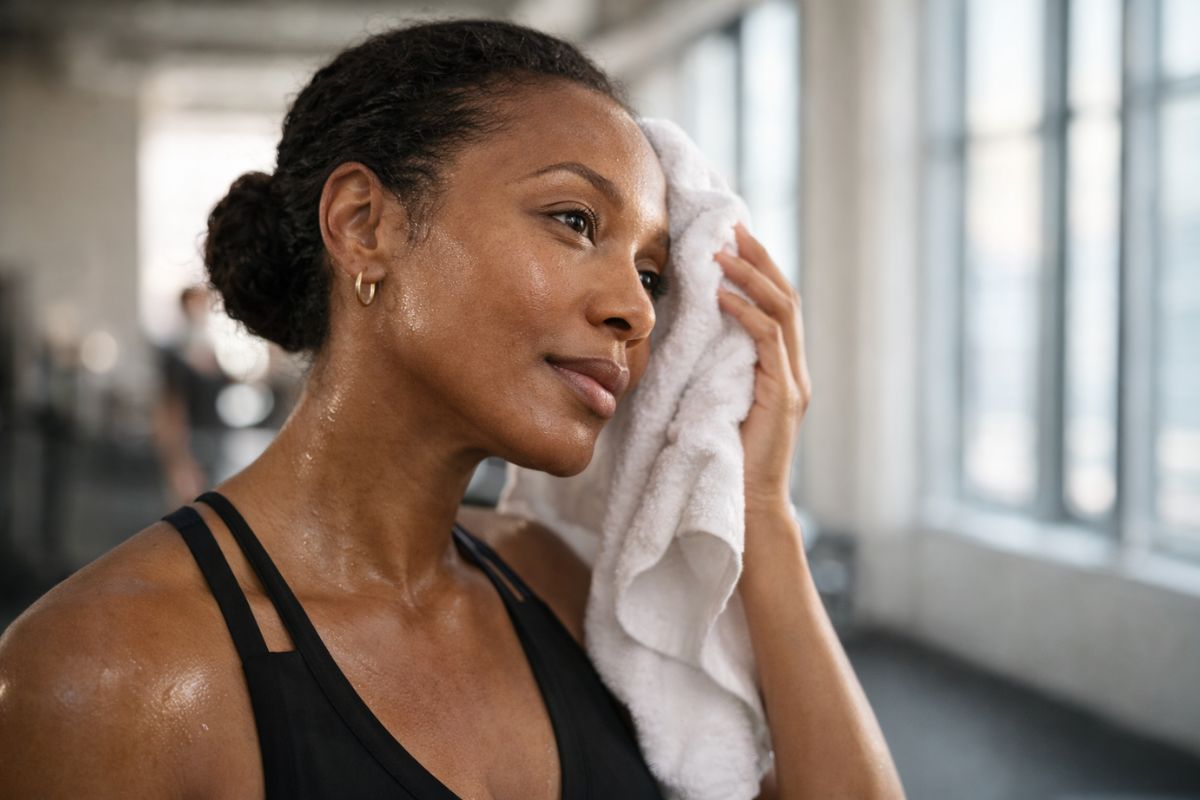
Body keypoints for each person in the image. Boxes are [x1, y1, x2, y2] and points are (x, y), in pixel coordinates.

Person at [0, 18, 903, 800]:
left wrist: (761, 510)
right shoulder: (110, 672)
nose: (636, 309)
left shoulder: (553, 584)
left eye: (653, 273)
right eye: (576, 221)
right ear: (364, 223)